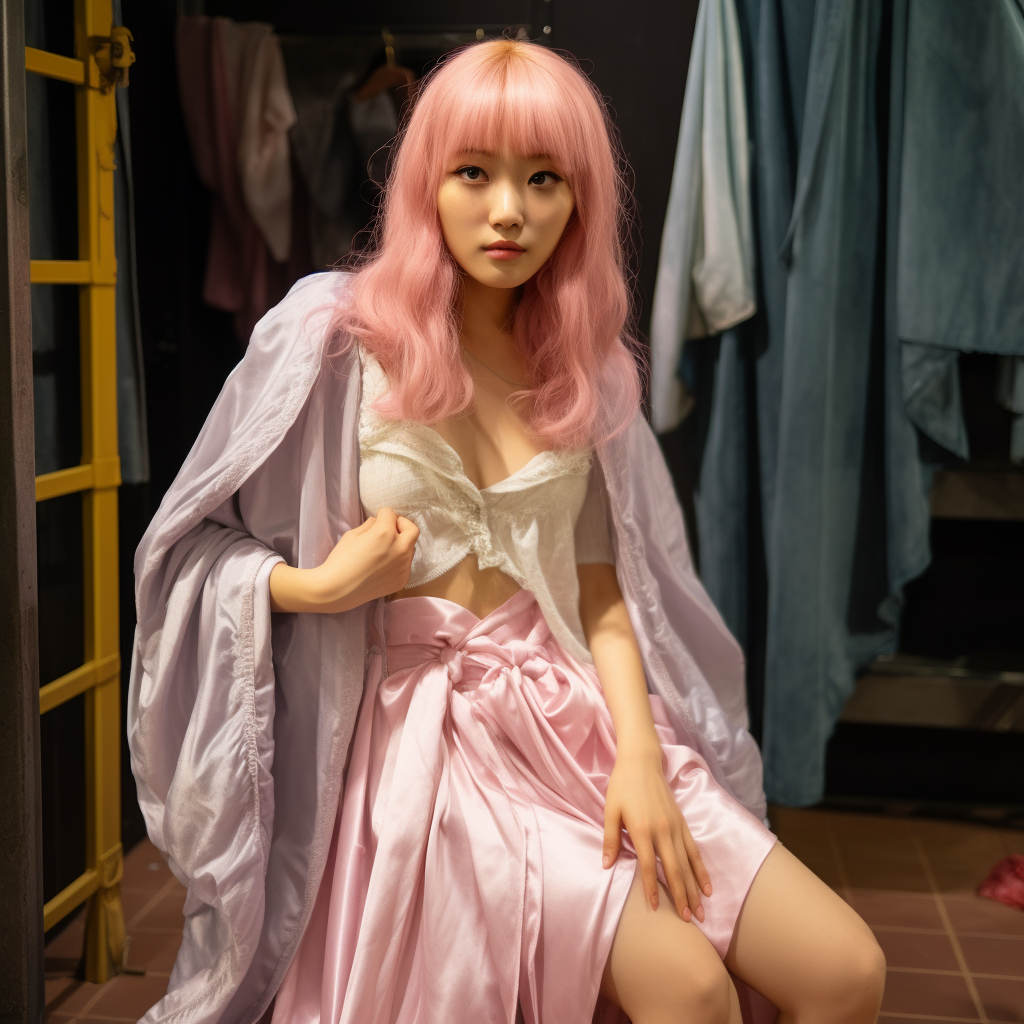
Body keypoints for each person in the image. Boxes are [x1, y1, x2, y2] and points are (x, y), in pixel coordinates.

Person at [129, 39, 885, 1024]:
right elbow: (184, 547)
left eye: (543, 180)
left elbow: (602, 584)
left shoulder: (584, 364)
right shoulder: (332, 338)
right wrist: (312, 588)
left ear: (579, 200)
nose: (508, 212)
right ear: (423, 183)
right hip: (427, 743)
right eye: (473, 174)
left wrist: (642, 756)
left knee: (846, 972)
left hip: (575, 711)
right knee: (691, 990)